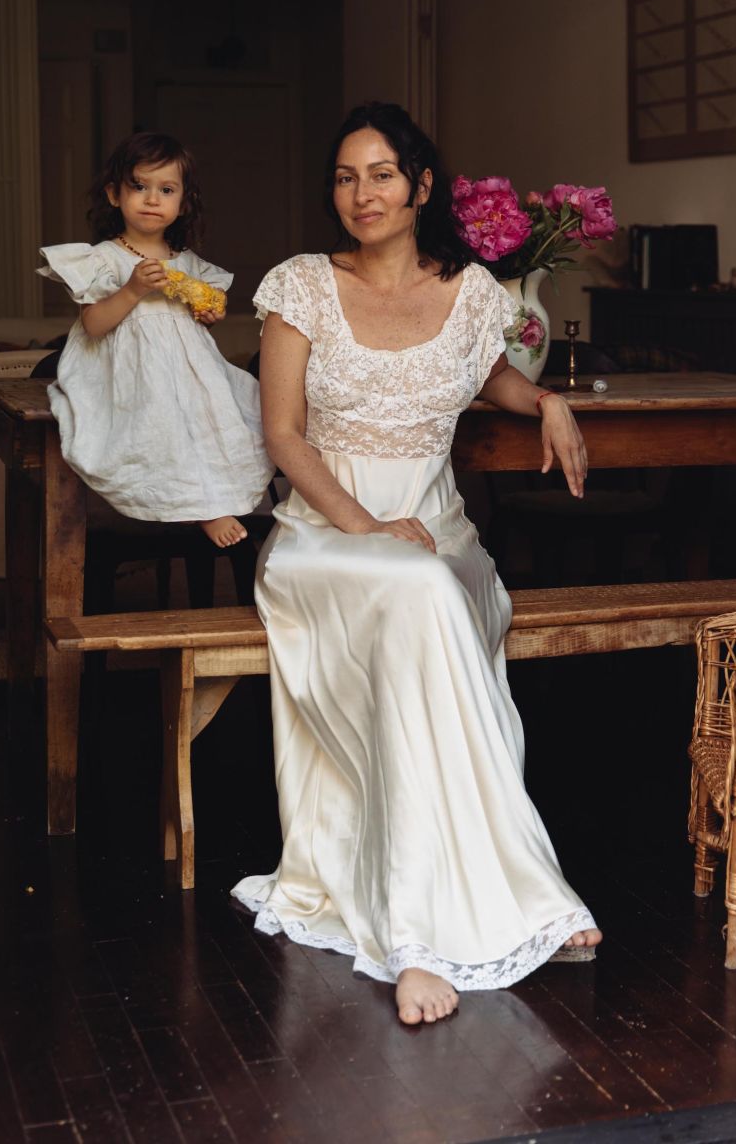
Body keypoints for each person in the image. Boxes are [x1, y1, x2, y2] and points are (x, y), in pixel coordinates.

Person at [231, 102, 602, 1026]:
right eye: (347, 177)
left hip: (439, 540)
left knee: (435, 586)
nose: (363, 194)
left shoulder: (475, 292)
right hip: (324, 539)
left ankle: (506, 890)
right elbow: (282, 435)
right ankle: (417, 935)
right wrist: (363, 526)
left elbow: (484, 373)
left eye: (382, 174)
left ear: (422, 186)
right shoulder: (303, 286)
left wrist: (547, 402)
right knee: (417, 588)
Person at [37, 131, 273, 546]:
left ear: (183, 203)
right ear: (114, 195)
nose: (151, 199)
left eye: (166, 190)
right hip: (127, 369)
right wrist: (131, 291)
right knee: (158, 419)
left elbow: (195, 320)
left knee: (227, 415)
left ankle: (211, 499)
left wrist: (209, 312)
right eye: (139, 187)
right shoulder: (104, 258)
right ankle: (196, 507)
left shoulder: (188, 263)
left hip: (187, 369)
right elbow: (93, 325)